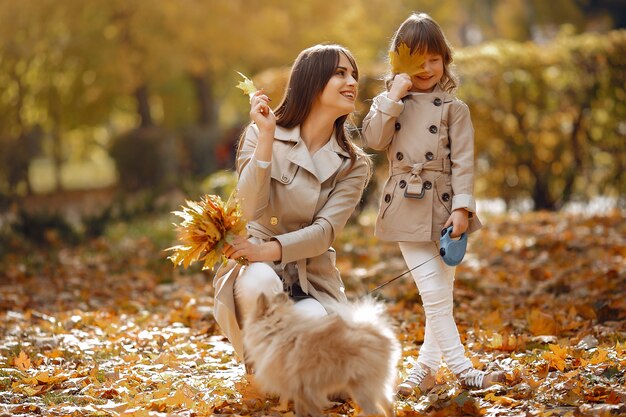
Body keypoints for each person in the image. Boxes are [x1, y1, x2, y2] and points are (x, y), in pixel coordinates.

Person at [361, 13, 504, 396]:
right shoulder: (389, 104)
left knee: (440, 296)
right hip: (405, 204)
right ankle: (463, 370)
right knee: (434, 294)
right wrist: (393, 96)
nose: (426, 68)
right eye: (416, 59)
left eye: (434, 59)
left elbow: (465, 163)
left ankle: (424, 369)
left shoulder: (454, 109)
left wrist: (462, 208)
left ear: (446, 61)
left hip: (444, 207)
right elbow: (373, 139)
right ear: (398, 62)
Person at [213, 44, 371, 363]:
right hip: (252, 267)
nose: (352, 81)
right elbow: (244, 210)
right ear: (312, 82)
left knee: (317, 334)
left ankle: (283, 375)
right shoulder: (261, 134)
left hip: (310, 277)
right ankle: (260, 368)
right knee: (259, 281)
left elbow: (324, 232)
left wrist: (267, 250)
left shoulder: (354, 164)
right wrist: (268, 138)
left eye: (354, 74)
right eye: (340, 73)